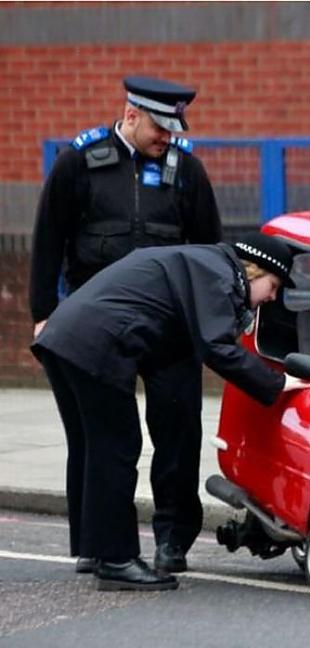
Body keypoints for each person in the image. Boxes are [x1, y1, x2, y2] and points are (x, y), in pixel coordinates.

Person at [31, 232, 310, 591]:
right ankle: (117, 560)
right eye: (273, 286)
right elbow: (217, 347)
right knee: (116, 450)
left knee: (94, 450)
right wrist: (276, 383)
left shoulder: (204, 262)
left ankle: (99, 551)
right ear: (254, 271)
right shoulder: (220, 276)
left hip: (66, 338)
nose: (272, 297)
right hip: (94, 346)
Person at [29, 76, 221, 574]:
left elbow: (208, 251)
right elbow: (48, 238)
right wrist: (43, 312)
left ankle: (172, 540)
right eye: (160, 127)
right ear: (131, 115)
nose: (168, 137)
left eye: (175, 128)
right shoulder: (80, 163)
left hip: (169, 327)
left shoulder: (187, 172)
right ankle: (94, 543)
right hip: (98, 328)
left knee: (177, 432)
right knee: (96, 439)